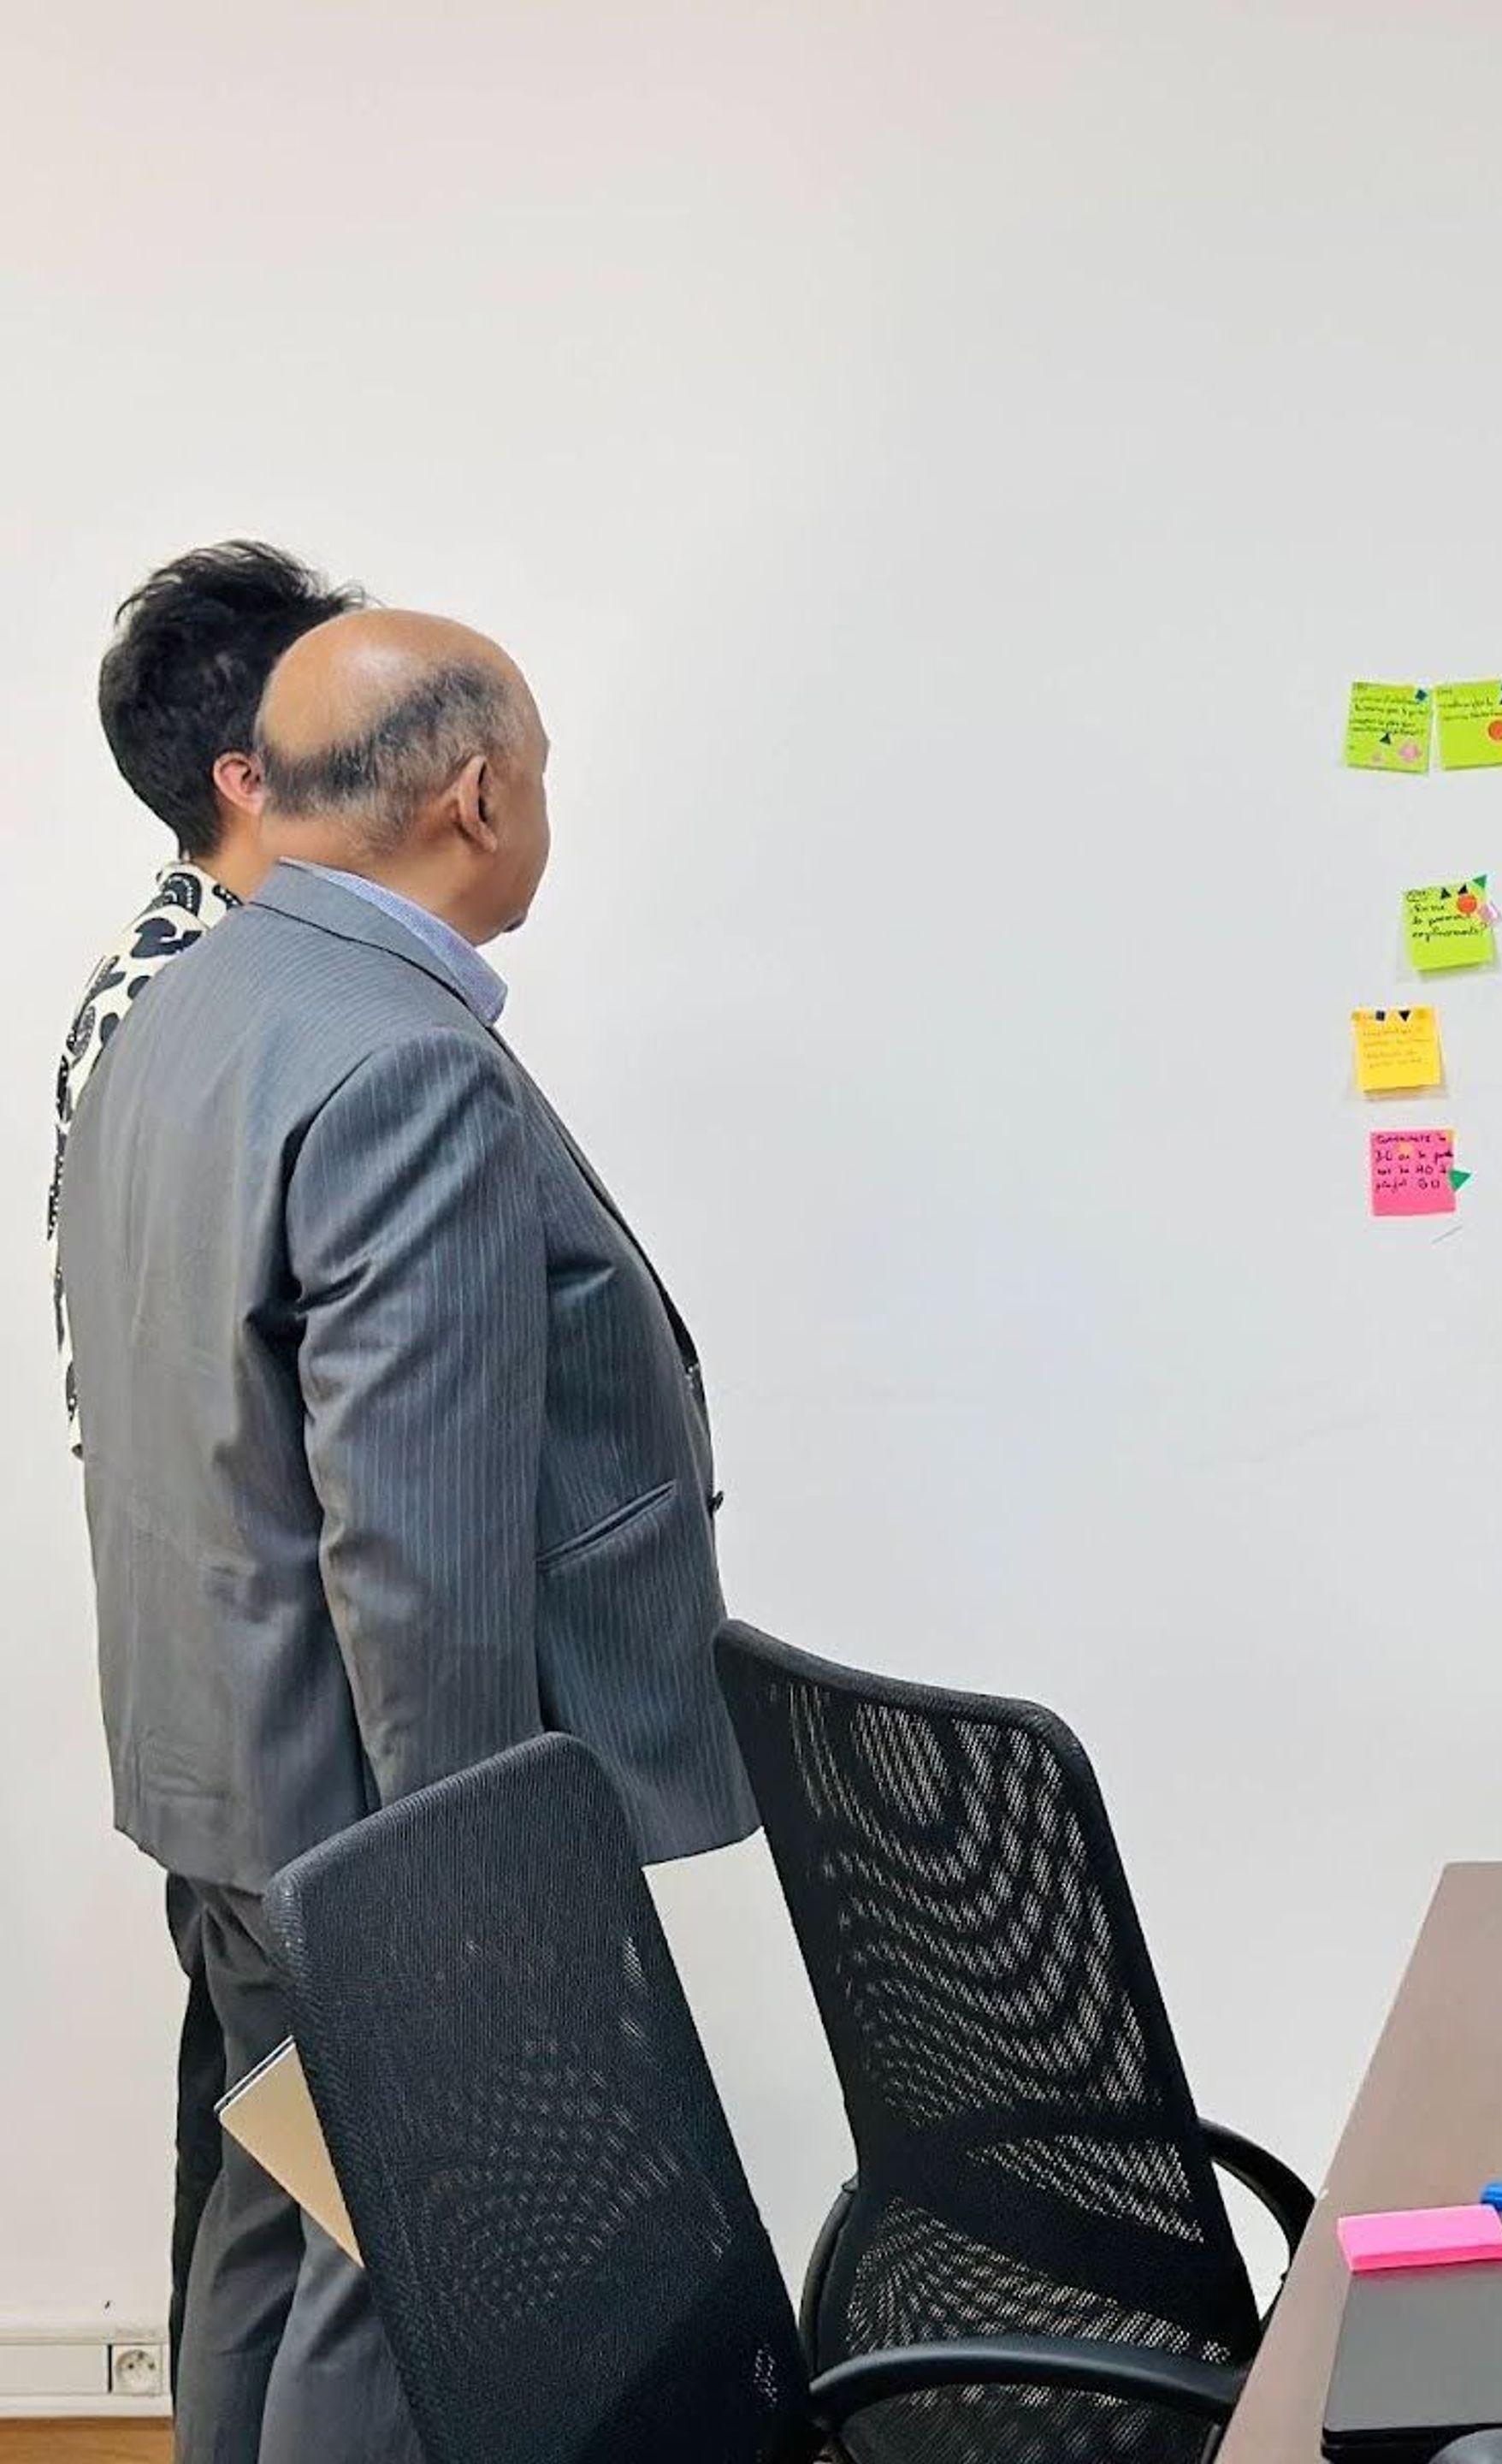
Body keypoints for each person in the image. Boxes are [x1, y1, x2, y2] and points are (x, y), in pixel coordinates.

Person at [60, 607, 757, 2464]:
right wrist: (464, 1902)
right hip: (382, 1815)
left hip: (220, 1772)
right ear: (477, 793)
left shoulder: (182, 1008)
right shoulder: (404, 1061)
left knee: (272, 2236)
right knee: (412, 2290)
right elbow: (415, 1542)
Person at [47, 541, 364, 2402]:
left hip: (202, 1698)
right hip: (275, 1706)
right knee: (348, 2216)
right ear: (250, 771)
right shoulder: (230, 1007)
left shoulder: (160, 985)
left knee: (267, 2181)